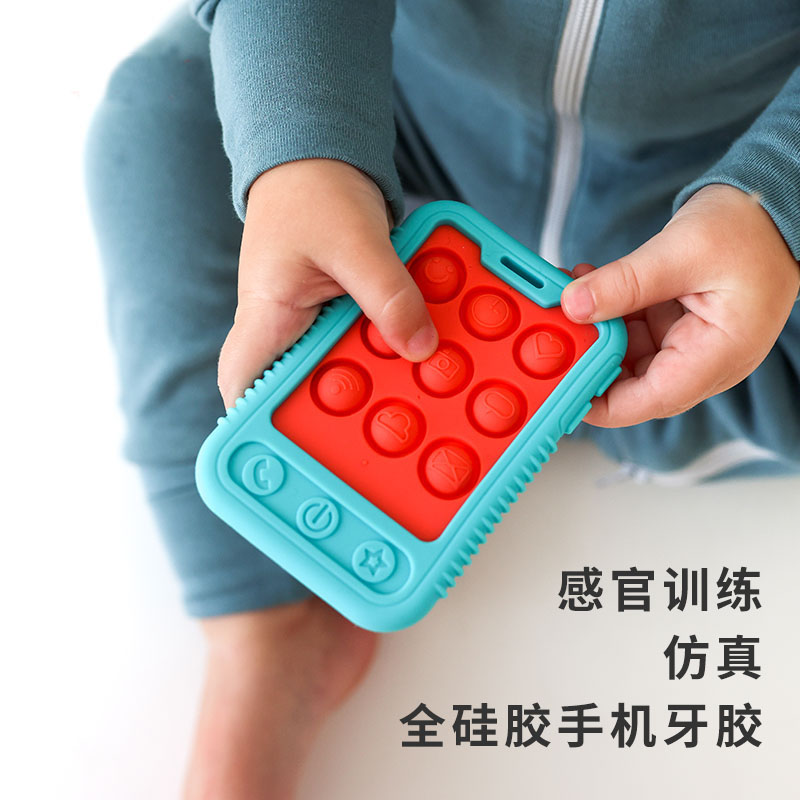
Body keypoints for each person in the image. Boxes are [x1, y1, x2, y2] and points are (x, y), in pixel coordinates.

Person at [85, 1, 800, 796]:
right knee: (160, 111)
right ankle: (265, 626)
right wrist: (301, 152)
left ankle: (651, 393)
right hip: (398, 139)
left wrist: (777, 200)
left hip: (725, 215)